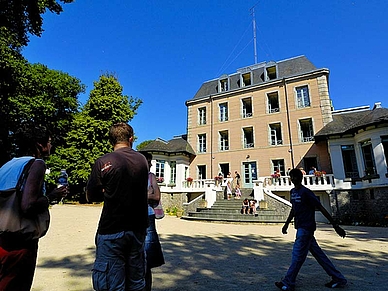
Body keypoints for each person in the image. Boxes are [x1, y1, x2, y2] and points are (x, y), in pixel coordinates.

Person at [0, 125, 68, 290]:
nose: (51, 146)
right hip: (19, 243)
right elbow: (28, 205)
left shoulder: (8, 164)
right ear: (39, 144)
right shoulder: (37, 164)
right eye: (49, 142)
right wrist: (52, 196)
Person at [87, 123, 149, 291]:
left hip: (112, 227)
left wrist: (106, 190)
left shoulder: (103, 161)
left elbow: (91, 196)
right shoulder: (142, 160)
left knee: (112, 284)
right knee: (136, 282)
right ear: (131, 139)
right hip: (137, 228)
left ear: (111, 140)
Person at [275, 168, 347, 291]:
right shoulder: (293, 192)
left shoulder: (306, 192)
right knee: (319, 256)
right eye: (291, 177)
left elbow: (320, 207)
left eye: (295, 177)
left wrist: (335, 226)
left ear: (300, 178)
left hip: (306, 228)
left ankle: (288, 282)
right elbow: (294, 209)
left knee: (297, 255)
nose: (293, 179)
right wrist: (286, 224)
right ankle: (338, 278)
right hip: (300, 227)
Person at [141, 152, 165, 291]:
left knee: (148, 256)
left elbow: (155, 196)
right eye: (148, 161)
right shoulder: (132, 175)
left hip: (148, 215)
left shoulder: (151, 176)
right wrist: (147, 194)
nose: (150, 164)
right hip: (134, 216)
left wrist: (138, 195)